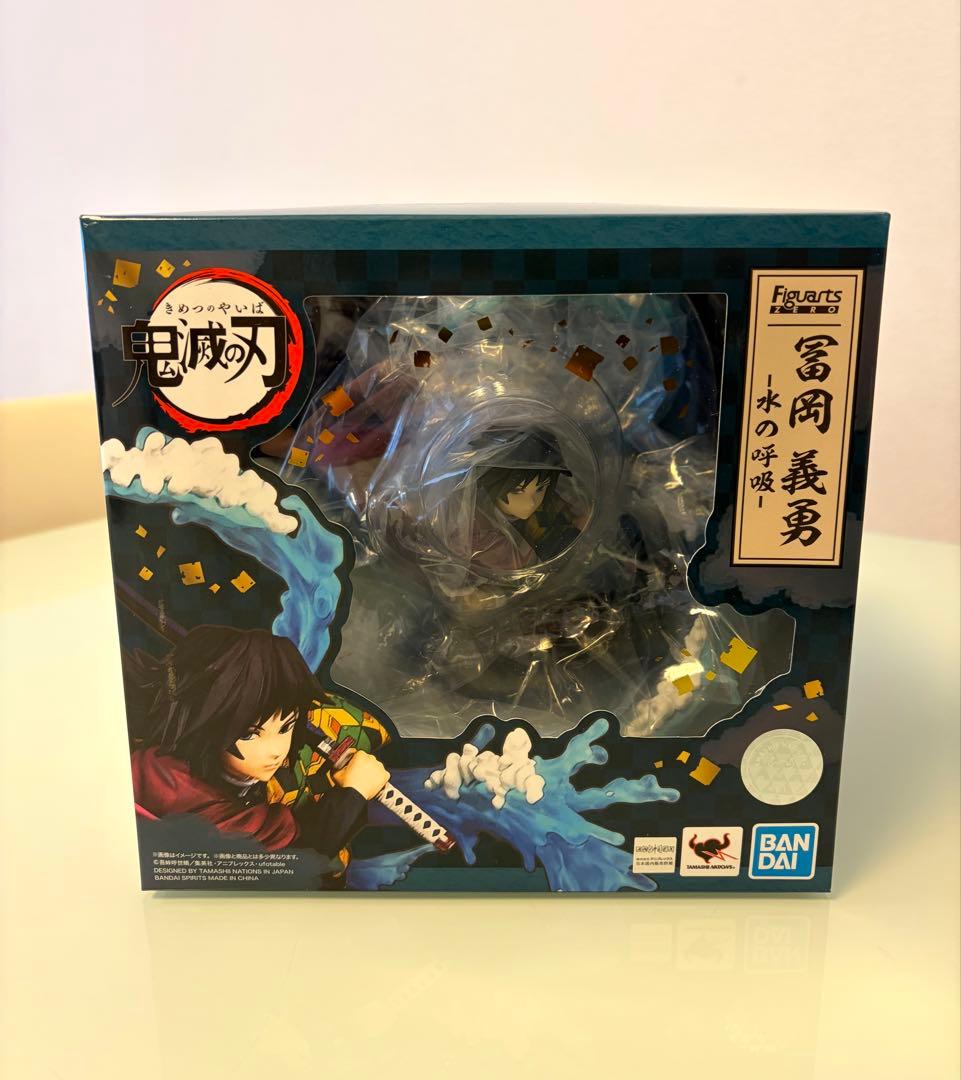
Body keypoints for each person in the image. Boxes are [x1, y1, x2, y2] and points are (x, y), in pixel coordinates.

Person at [125, 625, 389, 863]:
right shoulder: (175, 783)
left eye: (285, 728)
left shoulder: (176, 760)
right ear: (207, 722)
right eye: (250, 734)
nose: (275, 751)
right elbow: (298, 856)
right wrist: (354, 792)